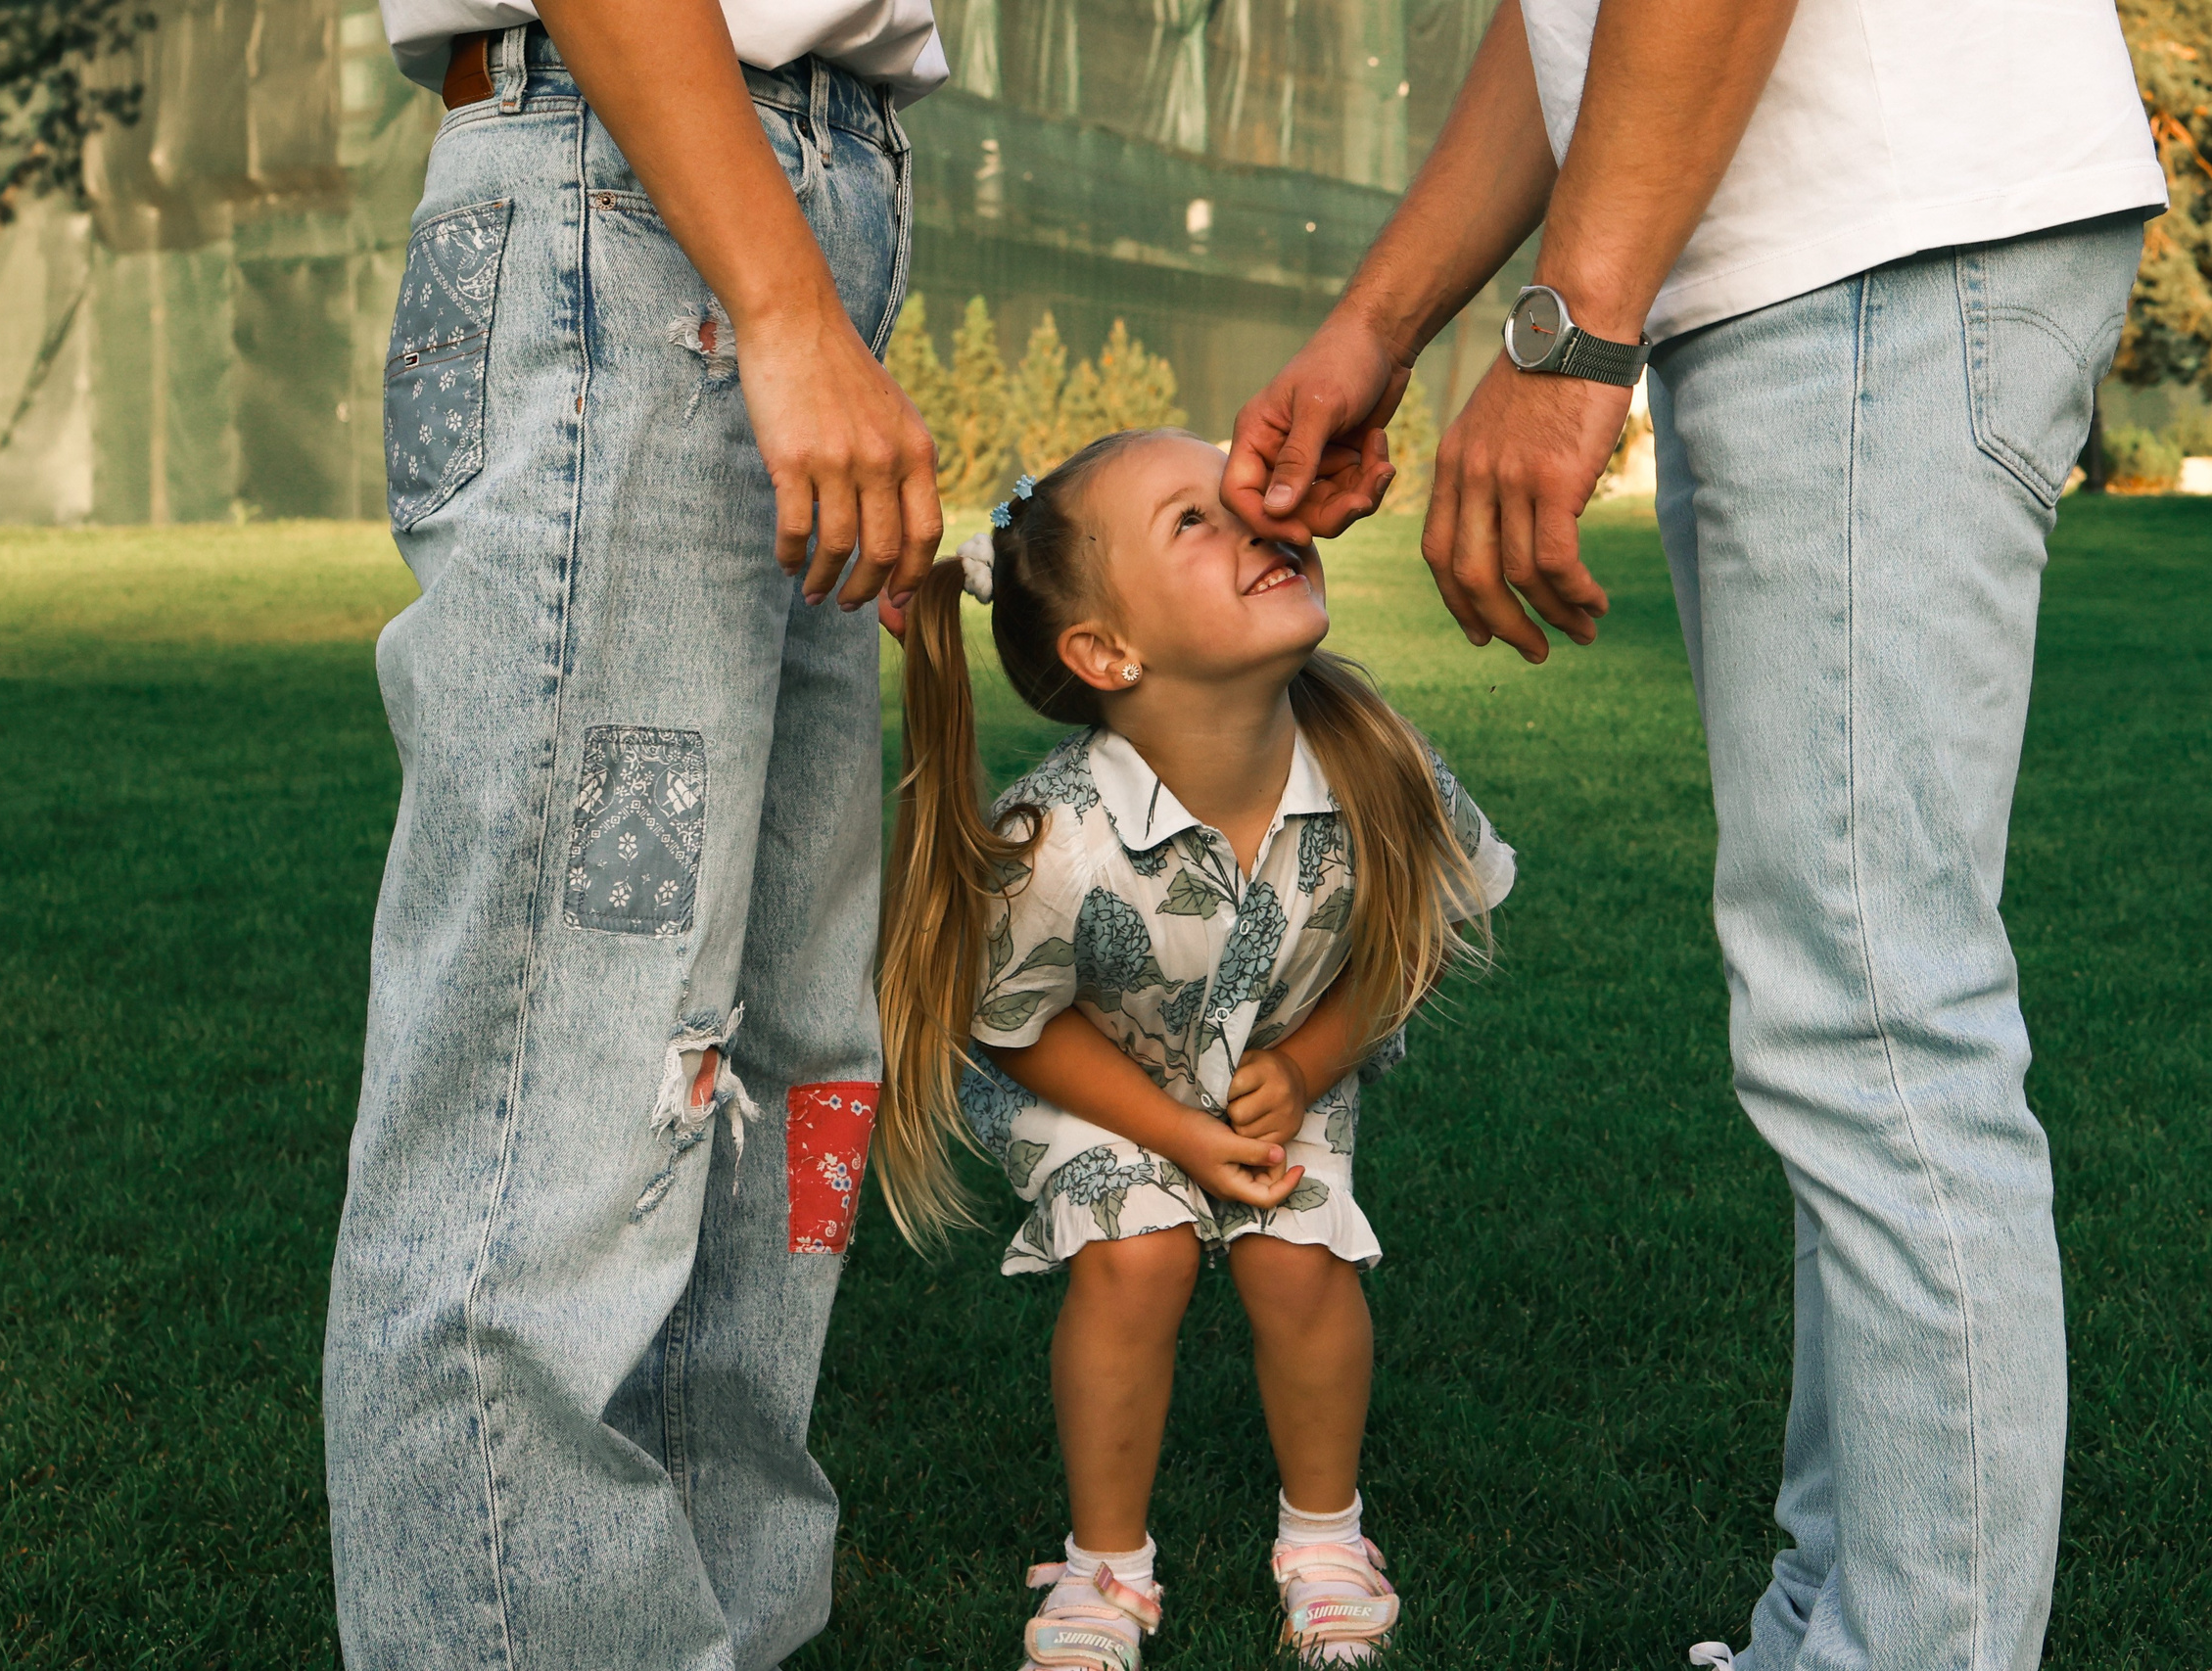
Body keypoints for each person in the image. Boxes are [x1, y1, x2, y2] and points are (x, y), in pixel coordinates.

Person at [1222, 2, 2166, 1666]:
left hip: (1880, 229)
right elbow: (1569, 22)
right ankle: (1832, 1621)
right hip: (1835, 249)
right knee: (1848, 1016)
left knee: (1878, 1015)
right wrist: (1377, 327)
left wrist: (1568, 332)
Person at [320, 0, 947, 1663]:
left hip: (791, 194)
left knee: (782, 1065)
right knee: (562, 1066)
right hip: (639, 203)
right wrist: (781, 298)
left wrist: (806, 284)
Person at [875, 429, 1518, 1670]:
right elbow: (1009, 1027)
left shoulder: (1377, 762)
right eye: (1194, 521)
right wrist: (1171, 1136)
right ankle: (1105, 1571)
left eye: (1245, 499)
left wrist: (1319, 1057)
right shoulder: (1055, 840)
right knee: (1142, 1251)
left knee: (1294, 1258)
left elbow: (1423, 933)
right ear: (1107, 652)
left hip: (1282, 1073)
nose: (1257, 519)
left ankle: (1324, 1539)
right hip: (1098, 1092)